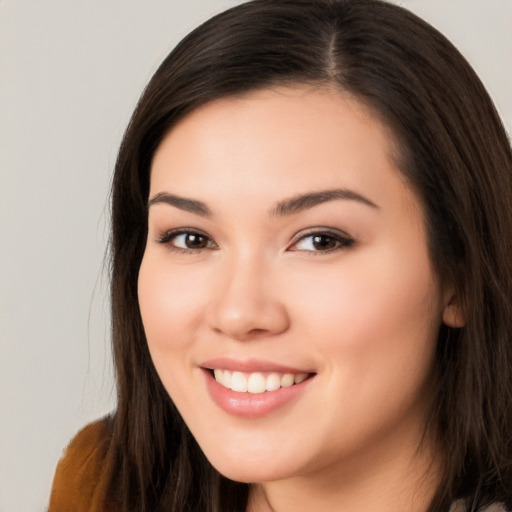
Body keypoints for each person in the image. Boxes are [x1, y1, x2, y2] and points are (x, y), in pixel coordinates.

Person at [48, 0, 512, 511]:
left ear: (462, 273)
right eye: (191, 238)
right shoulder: (103, 488)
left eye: (320, 240)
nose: (239, 313)